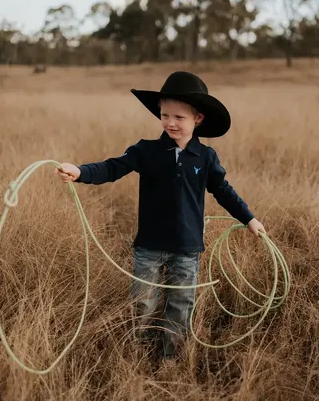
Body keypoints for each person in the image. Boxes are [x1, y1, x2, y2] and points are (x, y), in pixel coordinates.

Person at [55, 71, 266, 361]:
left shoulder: (206, 158)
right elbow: (112, 167)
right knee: (143, 302)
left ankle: (169, 359)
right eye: (165, 115)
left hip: (187, 248)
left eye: (179, 117)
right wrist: (80, 172)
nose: (169, 122)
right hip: (149, 246)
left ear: (198, 119)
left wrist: (250, 219)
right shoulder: (146, 150)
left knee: (180, 304)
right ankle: (139, 354)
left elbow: (224, 191)